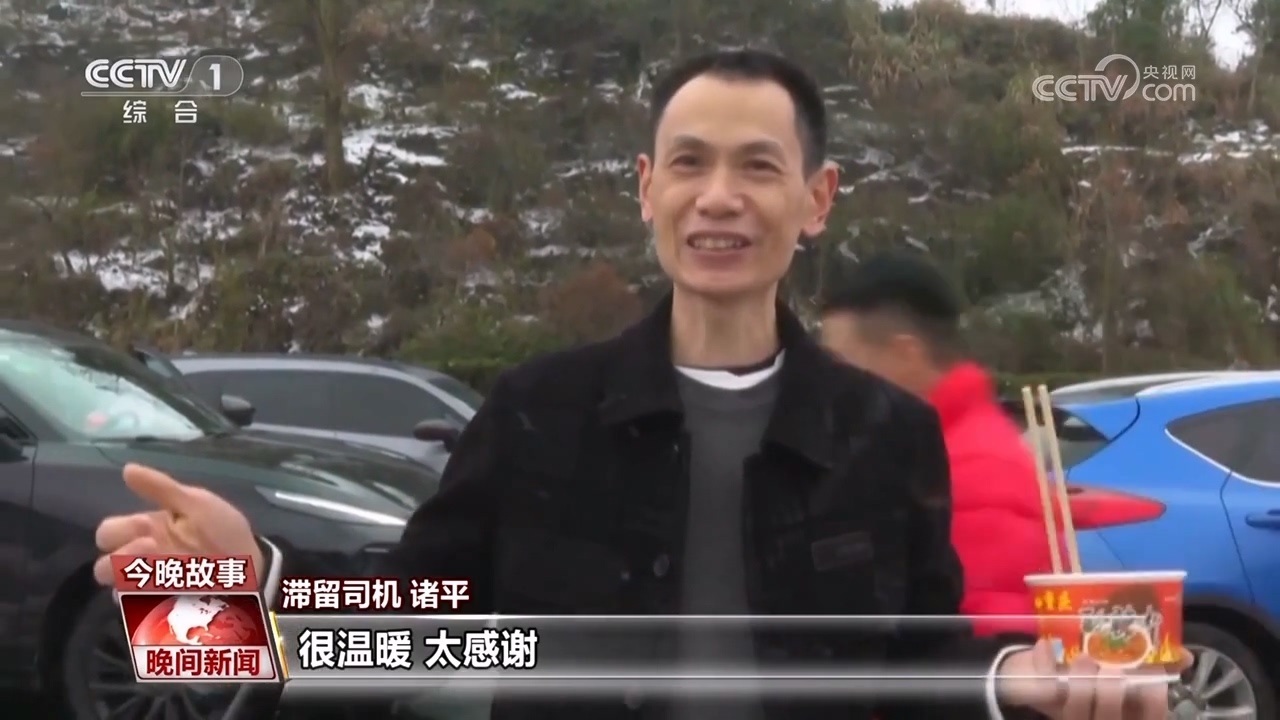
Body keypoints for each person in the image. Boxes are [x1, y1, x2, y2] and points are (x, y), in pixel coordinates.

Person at [93, 49, 1184, 720]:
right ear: (646, 188)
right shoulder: (538, 412)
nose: (719, 198)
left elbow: (920, 666)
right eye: (690, 163)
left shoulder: (884, 430)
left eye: (758, 167)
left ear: (816, 200)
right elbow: (411, 627)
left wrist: (1015, 686)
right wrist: (244, 582)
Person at [819, 252, 1058, 637]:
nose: (828, 380)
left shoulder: (971, 468)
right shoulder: (923, 449)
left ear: (905, 354)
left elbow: (988, 631)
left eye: (839, 362)